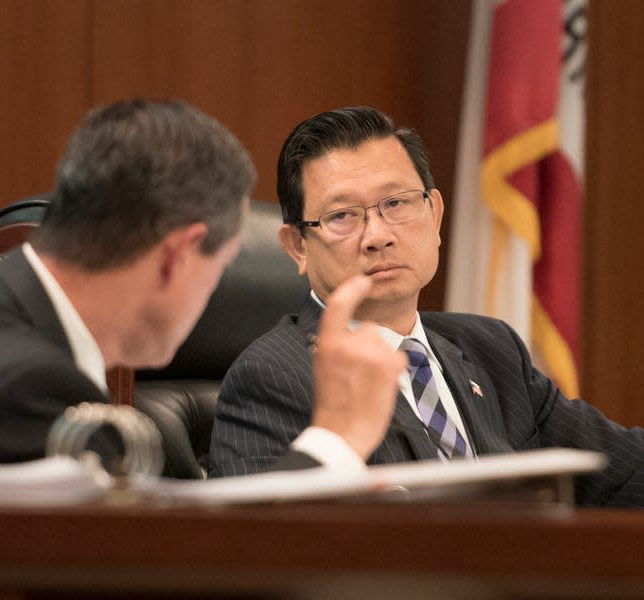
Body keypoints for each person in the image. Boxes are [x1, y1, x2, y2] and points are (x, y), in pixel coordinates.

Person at [0, 99, 405, 468]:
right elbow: (172, 588)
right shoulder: (24, 388)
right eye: (217, 273)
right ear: (178, 257)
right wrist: (338, 435)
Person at [208, 105, 644, 507]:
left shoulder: (491, 348)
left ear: (434, 216)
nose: (377, 235)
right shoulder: (273, 376)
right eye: (343, 216)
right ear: (297, 246)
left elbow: (625, 472)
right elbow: (264, 550)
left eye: (395, 204)